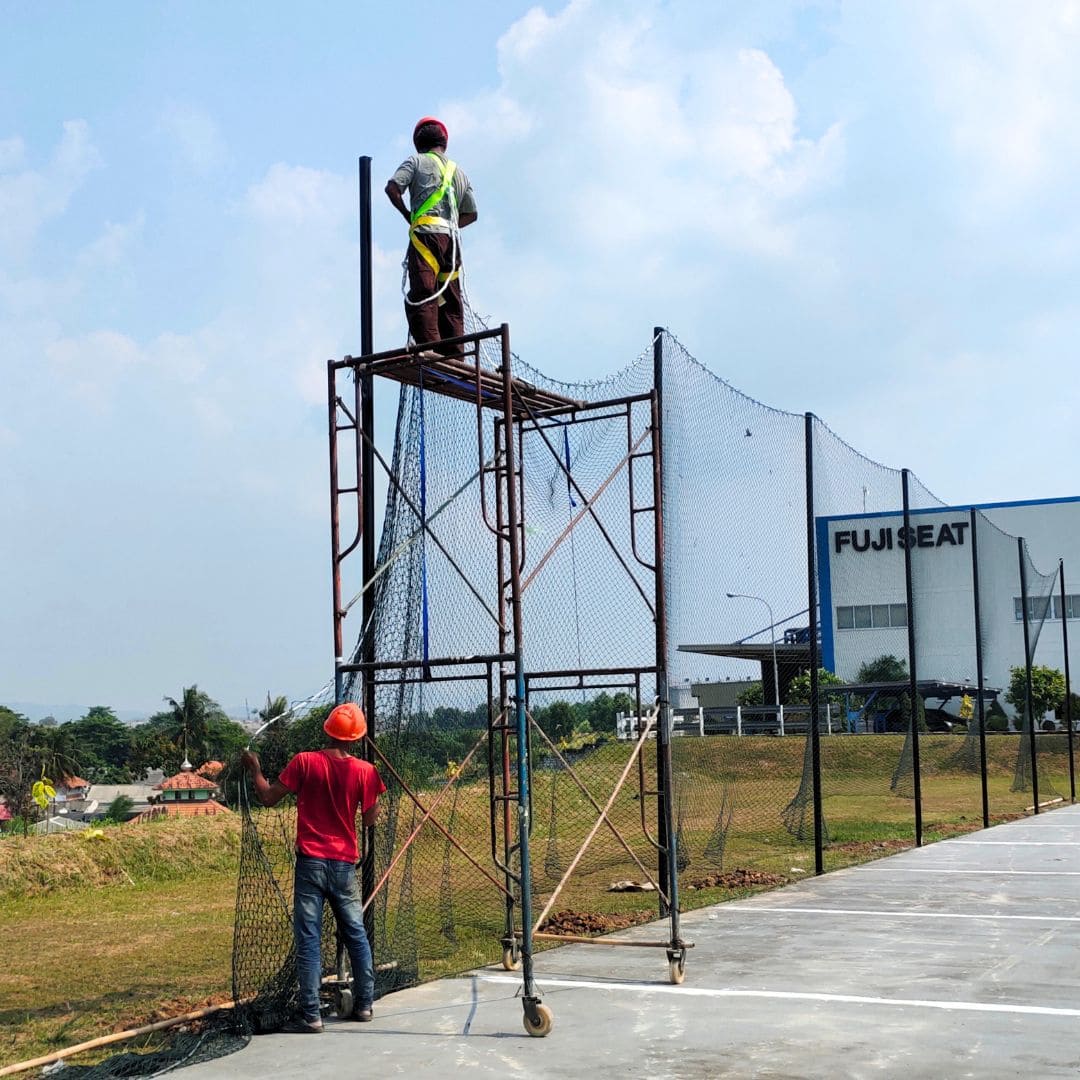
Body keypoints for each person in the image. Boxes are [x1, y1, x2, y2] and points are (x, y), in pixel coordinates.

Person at [241, 702, 385, 1033]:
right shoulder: (365, 771)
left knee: (308, 937)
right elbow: (371, 818)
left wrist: (254, 768)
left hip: (310, 862)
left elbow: (267, 797)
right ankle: (364, 1005)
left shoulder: (305, 762)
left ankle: (312, 1015)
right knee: (355, 933)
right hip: (344, 863)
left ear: (327, 730)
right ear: (357, 737)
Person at [385, 116, 478, 354]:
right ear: (444, 143)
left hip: (426, 236)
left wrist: (409, 216)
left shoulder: (415, 162)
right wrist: (450, 226)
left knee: (424, 292)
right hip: (451, 244)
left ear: (418, 143)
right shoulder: (460, 173)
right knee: (450, 297)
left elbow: (392, 189)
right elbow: (472, 213)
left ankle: (430, 350)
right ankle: (456, 356)